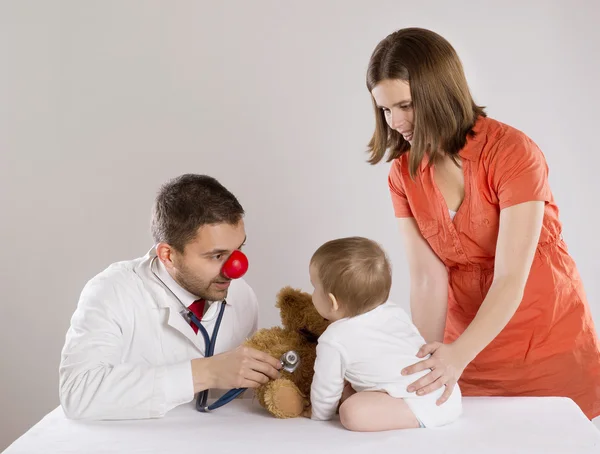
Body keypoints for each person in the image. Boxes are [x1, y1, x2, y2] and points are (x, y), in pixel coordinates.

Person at [365, 27, 600, 420]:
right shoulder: (402, 173)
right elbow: (427, 278)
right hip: (466, 352)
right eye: (385, 110)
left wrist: (458, 354)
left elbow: (510, 277)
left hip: (545, 343)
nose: (395, 122)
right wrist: (425, 363)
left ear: (439, 91)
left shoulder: (512, 152)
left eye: (405, 105)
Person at [59, 174, 282, 420]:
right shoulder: (112, 291)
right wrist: (207, 373)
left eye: (239, 250)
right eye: (217, 256)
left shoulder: (241, 295)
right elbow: (78, 394)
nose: (236, 268)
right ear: (167, 254)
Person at [305, 236, 462, 431]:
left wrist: (319, 417)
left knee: (351, 411)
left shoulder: (333, 339)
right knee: (350, 389)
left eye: (314, 286)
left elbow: (325, 390)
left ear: (332, 302)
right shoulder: (394, 311)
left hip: (420, 403)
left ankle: (415, 418)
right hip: (446, 390)